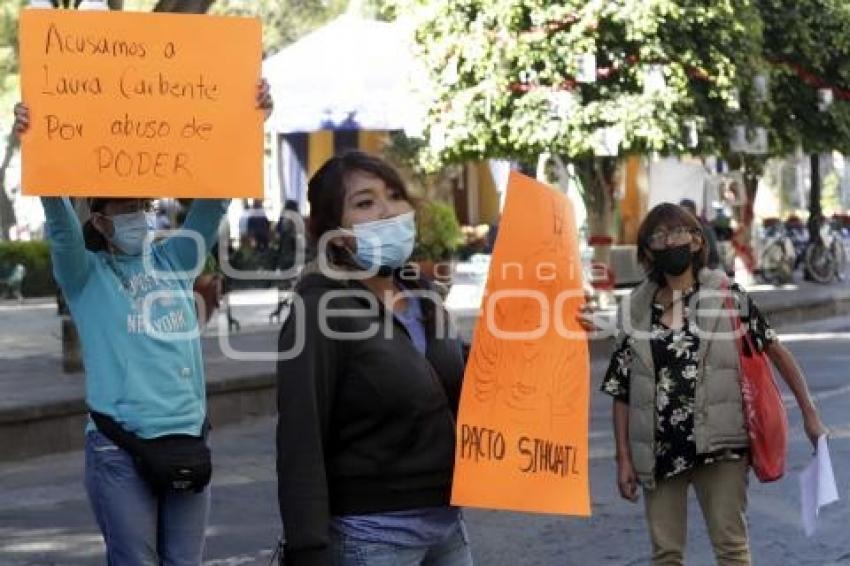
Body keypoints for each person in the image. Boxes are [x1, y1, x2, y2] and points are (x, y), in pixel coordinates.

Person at [13, 80, 273, 565]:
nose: (139, 214)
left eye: (144, 205)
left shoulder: (176, 260)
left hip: (188, 441)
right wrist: (38, 148)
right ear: (99, 217)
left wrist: (248, 123)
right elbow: (60, 225)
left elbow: (214, 202)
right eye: (126, 205)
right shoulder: (86, 276)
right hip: (120, 450)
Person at [600, 203, 827, 566]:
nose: (668, 241)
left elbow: (777, 352)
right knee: (666, 555)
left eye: (677, 233)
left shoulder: (727, 297)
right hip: (659, 450)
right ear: (648, 249)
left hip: (722, 445)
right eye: (658, 236)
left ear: (695, 241)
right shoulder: (635, 309)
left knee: (731, 550)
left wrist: (810, 415)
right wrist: (623, 459)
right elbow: (620, 389)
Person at [276, 151, 471, 566]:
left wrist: (550, 338)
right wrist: (307, 547)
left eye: (394, 194)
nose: (389, 210)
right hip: (371, 537)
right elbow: (300, 434)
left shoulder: (422, 293)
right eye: (365, 202)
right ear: (336, 233)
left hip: (447, 524)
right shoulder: (319, 308)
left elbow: (471, 379)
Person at [679, 198, 720, 270]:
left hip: (703, 271)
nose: (683, 216)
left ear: (693, 212)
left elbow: (714, 256)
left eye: (687, 212)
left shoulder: (706, 230)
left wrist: (707, 272)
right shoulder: (678, 231)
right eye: (681, 212)